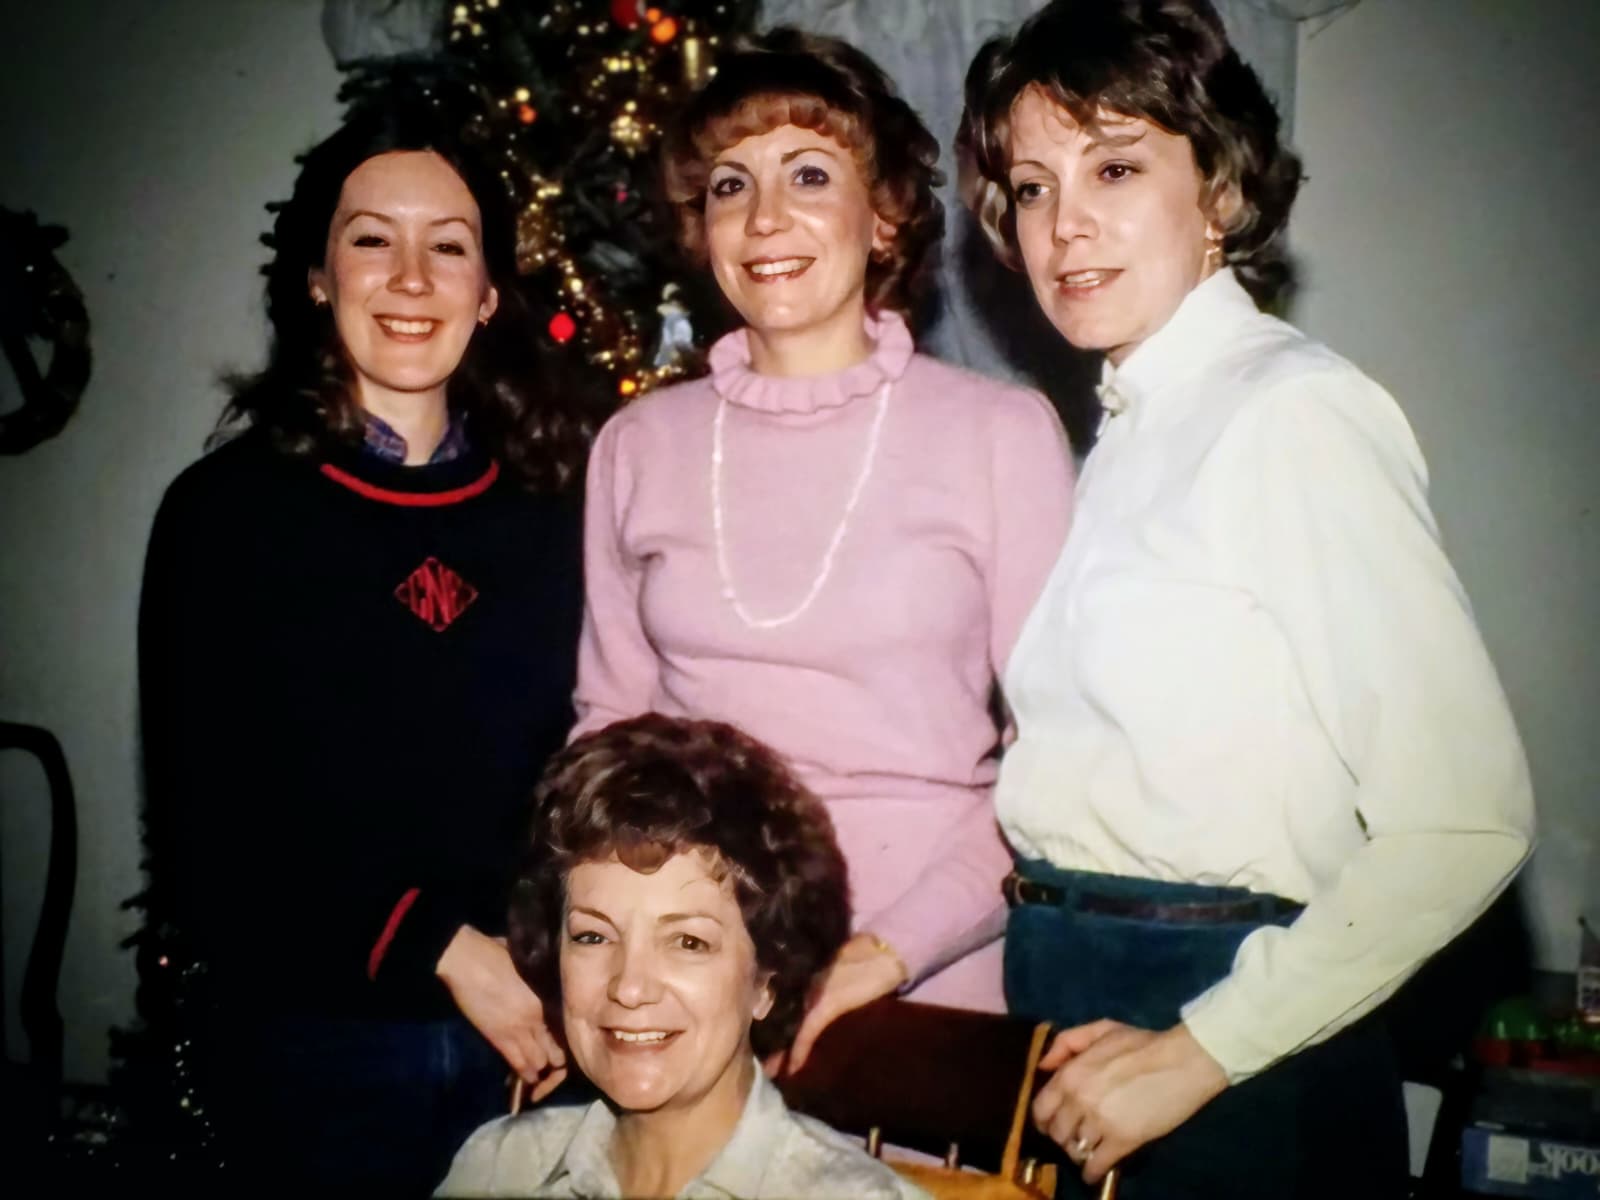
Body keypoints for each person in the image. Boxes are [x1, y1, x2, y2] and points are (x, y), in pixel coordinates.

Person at [957, 2, 1535, 1196]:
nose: (1065, 226)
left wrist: (1199, 1051)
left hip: (1224, 1036)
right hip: (1083, 1006)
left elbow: (1464, 821)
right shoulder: (1130, 430)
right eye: (1030, 186)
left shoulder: (1288, 413)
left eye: (1115, 167)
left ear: (1218, 190)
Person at [573, 28, 1074, 1065]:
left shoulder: (1000, 434)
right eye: (727, 186)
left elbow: (1059, 767)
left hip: (922, 971)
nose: (764, 220)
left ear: (883, 212)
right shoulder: (635, 446)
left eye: (809, 174)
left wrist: (879, 956)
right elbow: (608, 733)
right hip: (691, 979)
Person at [137, 87, 593, 1192]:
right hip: (315, 1051)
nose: (410, 279)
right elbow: (209, 833)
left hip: (537, 1047)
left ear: (488, 295)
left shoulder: (554, 511)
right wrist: (444, 948)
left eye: (449, 248)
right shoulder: (226, 513)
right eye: (370, 242)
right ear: (314, 277)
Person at [436, 714, 929, 1199]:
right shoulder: (499, 1168)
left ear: (767, 982)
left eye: (688, 943)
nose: (629, 987)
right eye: (593, 937)